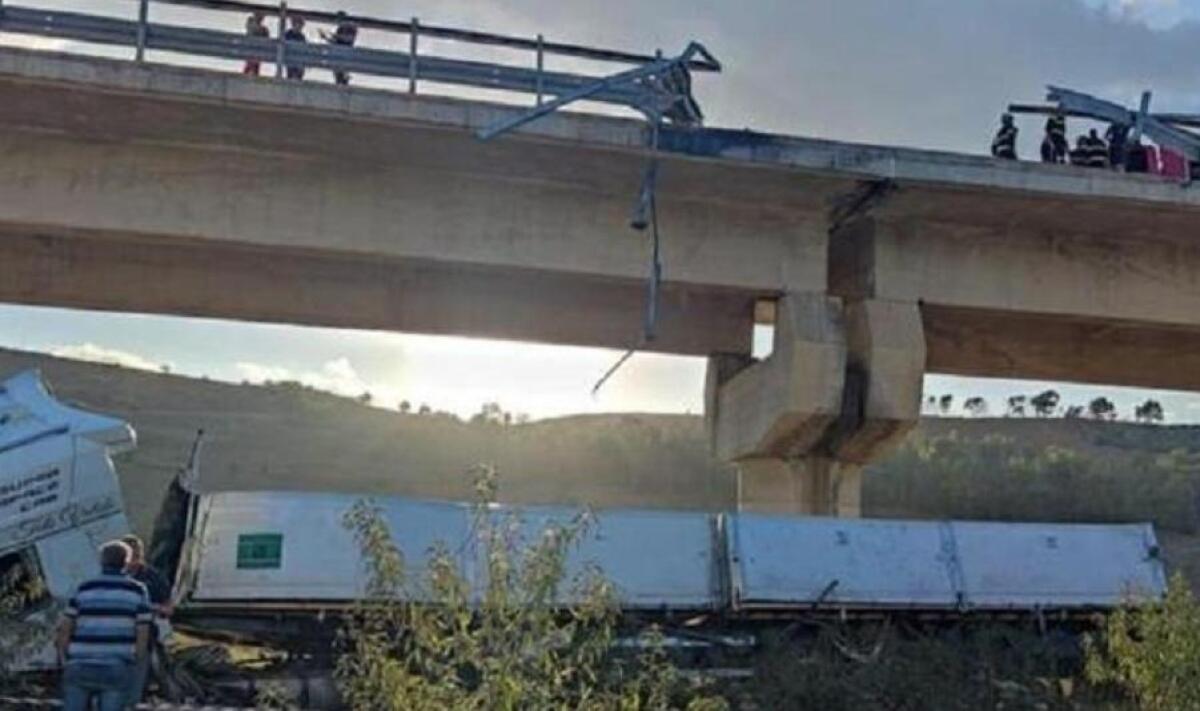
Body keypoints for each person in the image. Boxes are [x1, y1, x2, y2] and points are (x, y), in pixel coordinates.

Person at [58, 540, 152, 711]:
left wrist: (65, 658)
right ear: (126, 562)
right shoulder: (137, 590)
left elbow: (65, 627)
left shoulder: (83, 588)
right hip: (116, 664)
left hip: (80, 663)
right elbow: (143, 632)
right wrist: (136, 661)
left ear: (101, 561)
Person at [122, 534, 173, 705]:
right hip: (117, 637)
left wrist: (150, 608)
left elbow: (168, 608)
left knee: (141, 679)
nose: (133, 560)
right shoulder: (114, 576)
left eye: (137, 555)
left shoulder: (153, 577)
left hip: (145, 635)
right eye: (130, 556)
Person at [321, 11, 359, 85]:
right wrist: (325, 37)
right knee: (338, 77)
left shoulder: (351, 27)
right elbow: (335, 42)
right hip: (338, 56)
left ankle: (344, 83)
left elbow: (349, 39)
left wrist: (336, 36)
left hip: (346, 56)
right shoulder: (340, 29)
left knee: (344, 76)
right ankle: (339, 83)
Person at [242, 11, 270, 76]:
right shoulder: (251, 24)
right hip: (251, 51)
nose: (260, 19)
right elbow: (251, 28)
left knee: (255, 67)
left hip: (258, 52)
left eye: (261, 17)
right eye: (258, 16)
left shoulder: (264, 29)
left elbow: (266, 40)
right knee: (250, 65)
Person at [283, 15, 307, 80]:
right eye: (299, 24)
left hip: (298, 61)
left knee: (298, 74)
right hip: (290, 60)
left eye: (301, 25)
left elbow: (304, 51)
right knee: (291, 74)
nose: (300, 27)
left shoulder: (302, 36)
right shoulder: (288, 34)